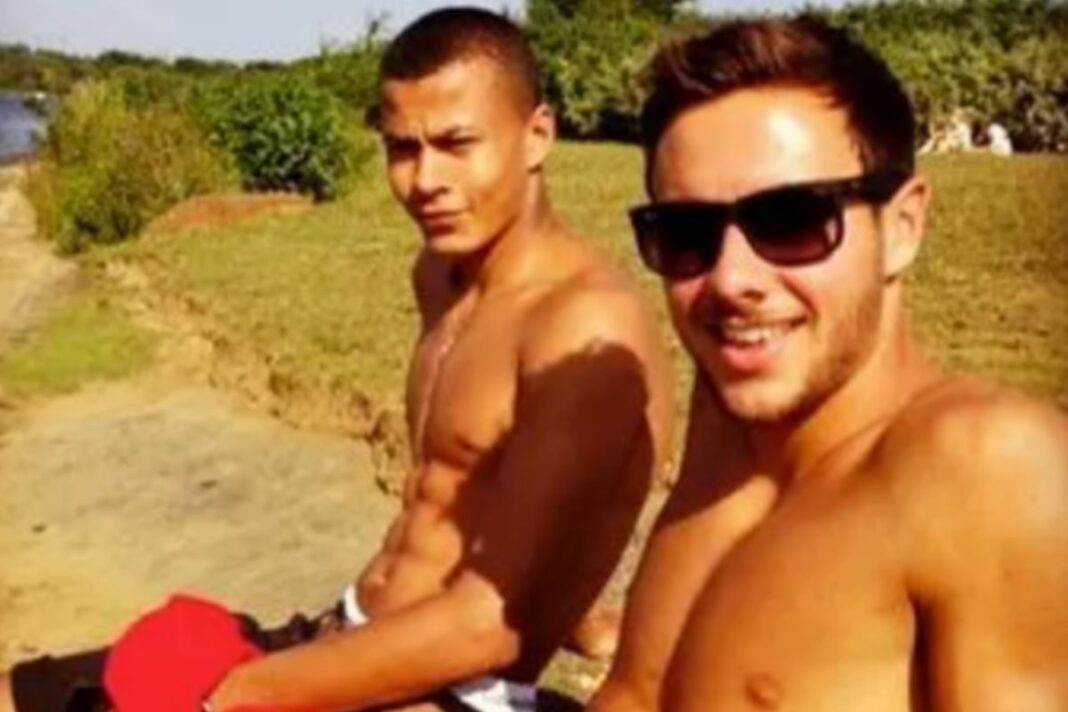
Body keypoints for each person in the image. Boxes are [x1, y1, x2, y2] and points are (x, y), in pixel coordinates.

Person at [0, 8, 673, 712]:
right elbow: (476, 496)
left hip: (454, 690)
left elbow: (485, 630)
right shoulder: (440, 277)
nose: (425, 180)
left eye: (456, 143)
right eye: (402, 148)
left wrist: (224, 699)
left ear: (538, 135)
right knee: (26, 694)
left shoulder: (582, 324)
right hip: (347, 631)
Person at [590, 16, 1068, 712]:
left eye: (792, 220)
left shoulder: (984, 464)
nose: (730, 279)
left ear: (902, 228)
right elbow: (635, 692)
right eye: (687, 232)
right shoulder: (730, 414)